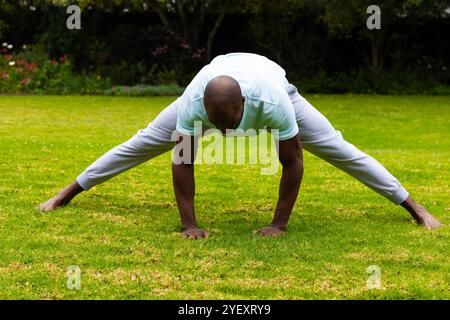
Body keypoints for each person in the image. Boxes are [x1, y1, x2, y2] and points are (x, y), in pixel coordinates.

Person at [38, 53, 442, 239]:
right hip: (208, 85)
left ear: (245, 108)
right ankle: (66, 194)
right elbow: (183, 162)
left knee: (339, 149)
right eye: (217, 125)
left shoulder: (273, 103)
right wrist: (189, 224)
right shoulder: (194, 103)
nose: (226, 135)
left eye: (229, 123)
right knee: (142, 142)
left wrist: (278, 225)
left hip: (276, 83)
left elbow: (293, 162)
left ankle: (414, 207)